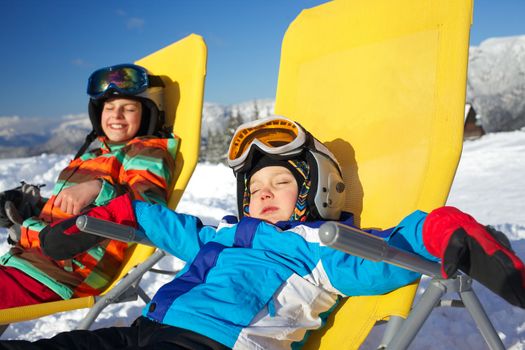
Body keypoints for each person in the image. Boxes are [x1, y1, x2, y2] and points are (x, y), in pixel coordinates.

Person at [1, 116, 523, 350]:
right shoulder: (222, 237)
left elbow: (391, 250)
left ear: (316, 192)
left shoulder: (321, 248)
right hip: (144, 331)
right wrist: (103, 202)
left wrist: (445, 231)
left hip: (211, 343)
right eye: (255, 187)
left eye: (281, 181)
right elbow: (160, 223)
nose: (264, 192)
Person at [0, 63, 178, 309]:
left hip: (63, 273)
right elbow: (70, 210)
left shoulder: (145, 153)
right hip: (30, 259)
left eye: (128, 108)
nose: (116, 116)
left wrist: (97, 188)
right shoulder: (95, 154)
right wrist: (31, 208)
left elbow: (149, 207)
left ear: (146, 113)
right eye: (109, 108)